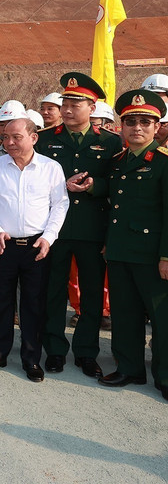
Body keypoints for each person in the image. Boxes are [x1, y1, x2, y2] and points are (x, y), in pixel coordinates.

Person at [34, 72, 123, 378]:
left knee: (92, 294)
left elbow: (119, 186)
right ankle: (55, 350)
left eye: (77, 103)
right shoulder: (45, 140)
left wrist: (94, 185)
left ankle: (86, 352)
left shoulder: (110, 143)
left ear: (92, 107)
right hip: (53, 230)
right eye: (66, 103)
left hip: (91, 230)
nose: (69, 109)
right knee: (53, 292)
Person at [0, 115, 69, 382]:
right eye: (5, 137)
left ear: (33, 138)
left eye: (17, 137)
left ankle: (31, 359)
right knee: (1, 301)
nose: (10, 142)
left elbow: (60, 205)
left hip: (36, 246)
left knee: (33, 304)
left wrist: (49, 238)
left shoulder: (50, 168)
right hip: (3, 244)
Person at [99, 89, 168, 401]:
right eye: (130, 121)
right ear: (122, 126)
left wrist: (166, 256)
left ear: (156, 127)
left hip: (153, 256)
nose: (137, 127)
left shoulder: (164, 163)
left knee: (162, 317)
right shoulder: (117, 162)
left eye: (144, 122)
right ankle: (130, 368)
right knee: (125, 314)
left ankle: (165, 376)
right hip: (120, 250)